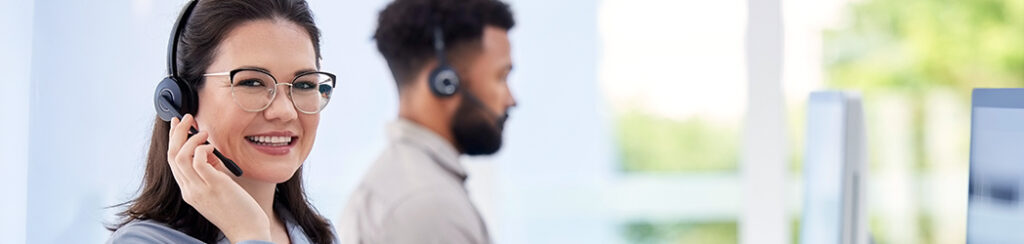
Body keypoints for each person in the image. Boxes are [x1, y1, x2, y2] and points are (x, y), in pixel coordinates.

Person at [108, 0, 337, 243]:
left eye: (304, 84)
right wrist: (249, 233)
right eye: (252, 82)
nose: (285, 111)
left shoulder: (319, 236)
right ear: (184, 101)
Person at [339, 0, 517, 243]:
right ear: (445, 82)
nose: (511, 99)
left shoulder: (406, 183)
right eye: (501, 77)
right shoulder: (429, 206)